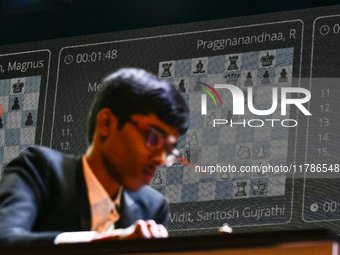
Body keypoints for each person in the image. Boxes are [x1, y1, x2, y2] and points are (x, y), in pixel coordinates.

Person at [0, 68, 190, 246]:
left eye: (169, 149)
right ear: (106, 123)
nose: (161, 159)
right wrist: (106, 241)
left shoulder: (152, 208)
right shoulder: (39, 168)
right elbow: (5, 239)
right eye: (154, 139)